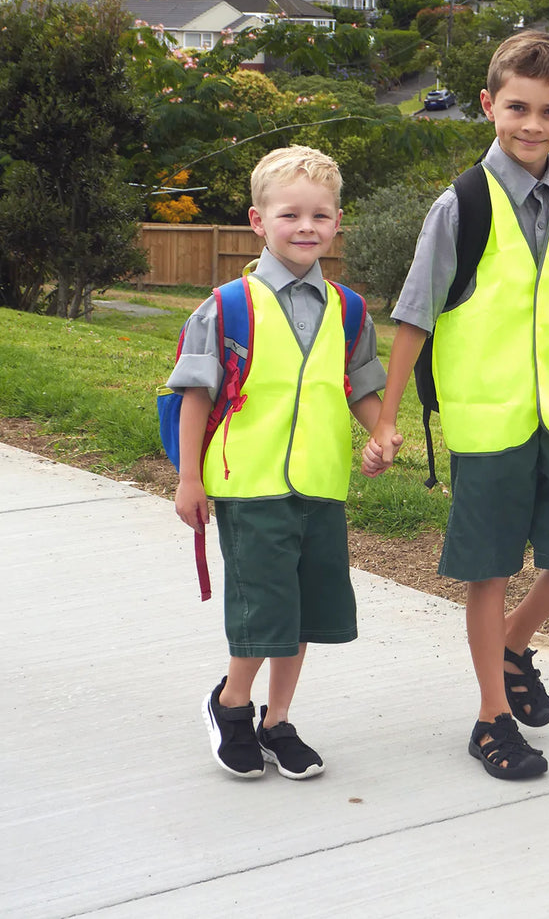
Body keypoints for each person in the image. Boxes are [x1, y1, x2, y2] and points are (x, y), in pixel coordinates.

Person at [363, 31, 549, 781]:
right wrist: (387, 417)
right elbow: (415, 314)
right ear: (488, 105)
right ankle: (491, 717)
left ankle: (512, 644)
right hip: (489, 420)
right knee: (491, 568)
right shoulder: (462, 203)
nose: (532, 124)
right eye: (517, 107)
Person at [169, 145, 396, 780]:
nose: (306, 227)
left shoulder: (349, 311)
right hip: (249, 482)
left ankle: (278, 721)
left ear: (337, 222)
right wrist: (190, 478)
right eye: (290, 214)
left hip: (322, 485)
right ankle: (231, 705)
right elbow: (195, 395)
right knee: (264, 607)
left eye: (320, 216)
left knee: (303, 610)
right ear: (257, 220)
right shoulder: (227, 305)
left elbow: (361, 388)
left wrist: (382, 432)